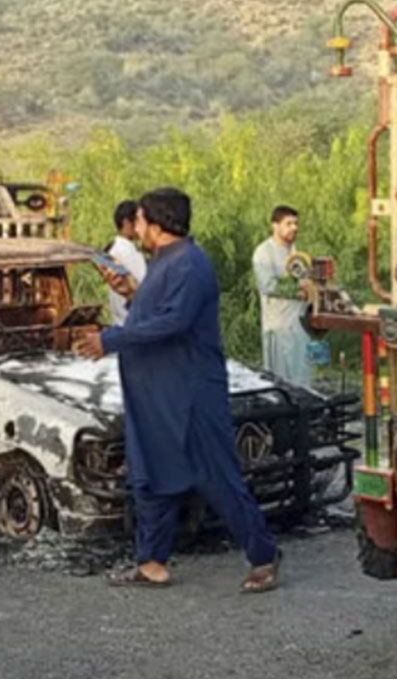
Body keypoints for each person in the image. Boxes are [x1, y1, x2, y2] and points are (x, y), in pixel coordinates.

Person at [74, 188, 281, 592]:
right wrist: (131, 293)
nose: (136, 230)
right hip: (155, 392)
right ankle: (152, 562)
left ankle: (264, 555)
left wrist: (110, 340)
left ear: (157, 224)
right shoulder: (164, 263)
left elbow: (173, 322)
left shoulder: (191, 264)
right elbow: (155, 312)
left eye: (139, 221)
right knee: (149, 474)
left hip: (189, 394)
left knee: (216, 474)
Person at [251, 205, 312, 387]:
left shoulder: (296, 253)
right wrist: (298, 291)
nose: (294, 228)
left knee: (302, 377)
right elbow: (268, 285)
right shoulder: (263, 252)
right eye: (288, 223)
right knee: (280, 381)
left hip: (299, 325)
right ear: (275, 226)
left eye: (296, 224)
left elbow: (306, 280)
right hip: (278, 326)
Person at [102, 200, 148, 326]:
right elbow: (141, 283)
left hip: (121, 319)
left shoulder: (115, 250)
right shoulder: (125, 252)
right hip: (132, 319)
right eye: (137, 222)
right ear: (127, 223)